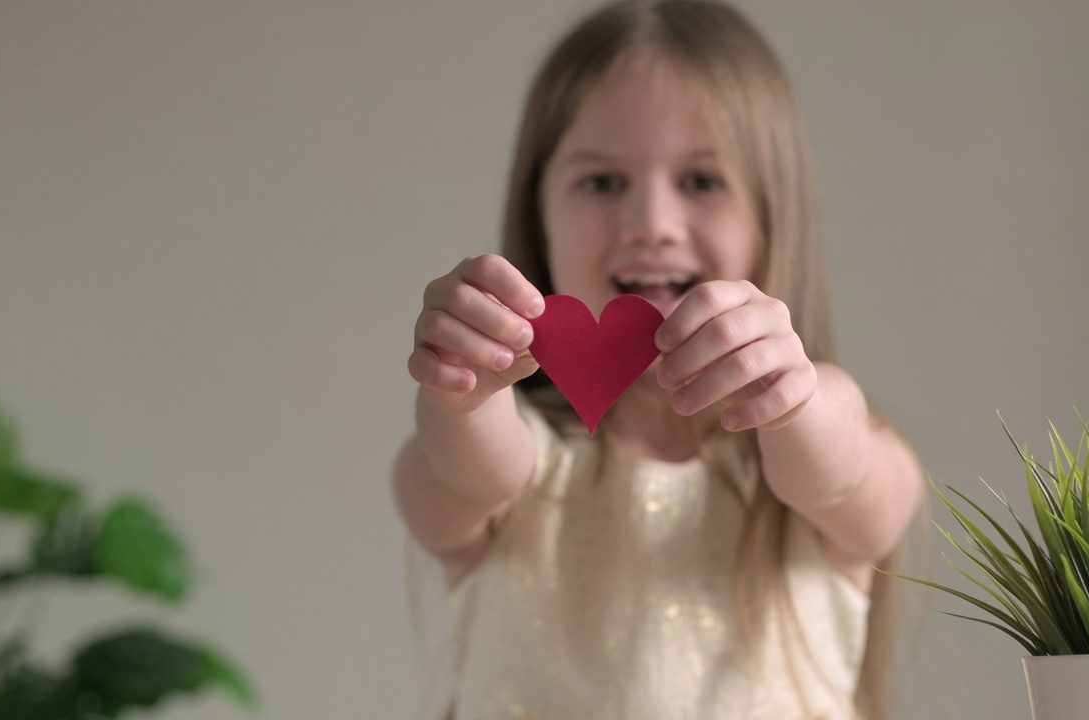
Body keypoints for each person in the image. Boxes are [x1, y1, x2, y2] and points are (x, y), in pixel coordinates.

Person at [393, 2, 924, 718]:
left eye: (701, 182)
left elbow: (842, 469)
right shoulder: (521, 464)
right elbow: (462, 470)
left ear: (775, 215)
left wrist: (796, 397)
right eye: (603, 182)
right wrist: (464, 391)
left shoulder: (811, 467)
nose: (651, 224)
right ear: (538, 214)